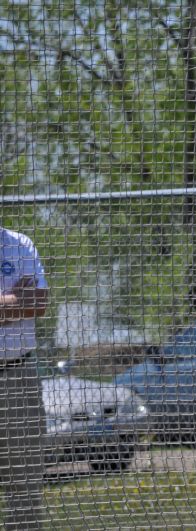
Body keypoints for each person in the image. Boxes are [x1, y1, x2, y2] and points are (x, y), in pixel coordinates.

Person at [0, 227, 49, 530]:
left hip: (19, 376)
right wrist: (14, 297)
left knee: (26, 487)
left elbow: (39, 301)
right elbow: (24, 301)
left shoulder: (20, 243)